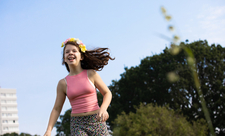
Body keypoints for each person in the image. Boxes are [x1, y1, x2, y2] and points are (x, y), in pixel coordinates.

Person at [44, 38, 114, 136]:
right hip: (77, 124)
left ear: (81, 56)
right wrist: (48, 130)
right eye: (67, 52)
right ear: (64, 59)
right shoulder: (62, 83)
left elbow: (107, 93)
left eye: (74, 51)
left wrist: (103, 108)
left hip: (96, 120)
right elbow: (57, 108)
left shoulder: (91, 74)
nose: (70, 53)